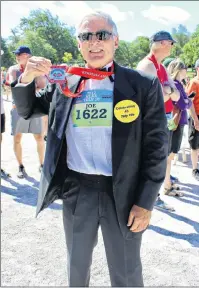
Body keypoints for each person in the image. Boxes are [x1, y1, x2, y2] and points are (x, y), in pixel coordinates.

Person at [11, 12, 168, 287]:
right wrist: (26, 77)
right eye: (86, 36)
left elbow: (157, 146)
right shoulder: (66, 82)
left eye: (102, 35)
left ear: (116, 41)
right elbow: (27, 110)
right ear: (78, 43)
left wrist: (145, 202)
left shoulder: (142, 84)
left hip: (123, 194)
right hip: (77, 189)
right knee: (76, 267)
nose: (94, 42)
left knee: (127, 272)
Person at [137, 31, 180, 211]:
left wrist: (167, 90)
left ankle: (153, 198)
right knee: (150, 161)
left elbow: (176, 94)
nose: (172, 47)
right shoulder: (147, 65)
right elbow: (156, 99)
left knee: (158, 159)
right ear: (163, 43)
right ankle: (147, 200)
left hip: (160, 120)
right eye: (171, 43)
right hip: (149, 122)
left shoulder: (160, 67)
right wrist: (167, 91)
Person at [8, 46, 46, 178]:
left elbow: (42, 86)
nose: (17, 56)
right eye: (16, 54)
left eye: (20, 54)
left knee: (39, 138)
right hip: (17, 108)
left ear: (28, 56)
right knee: (17, 138)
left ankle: (42, 164)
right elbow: (14, 85)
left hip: (34, 107)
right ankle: (21, 166)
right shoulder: (13, 69)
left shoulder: (38, 70)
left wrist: (30, 82)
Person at [165, 59, 192, 195]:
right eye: (185, 68)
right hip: (176, 122)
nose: (186, 70)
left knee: (171, 154)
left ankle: (167, 180)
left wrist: (187, 101)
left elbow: (185, 102)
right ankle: (167, 184)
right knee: (170, 154)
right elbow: (183, 104)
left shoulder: (176, 84)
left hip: (177, 121)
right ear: (179, 69)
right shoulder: (176, 84)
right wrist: (188, 101)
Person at [186, 58, 199, 181]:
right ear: (197, 68)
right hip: (198, 117)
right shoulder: (194, 83)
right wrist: (196, 120)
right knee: (195, 145)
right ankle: (195, 169)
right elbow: (189, 102)